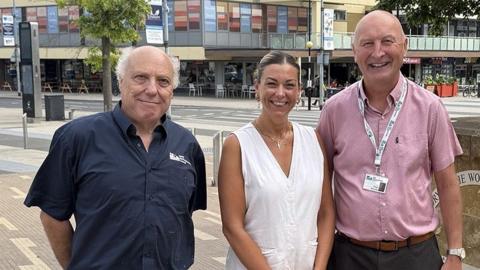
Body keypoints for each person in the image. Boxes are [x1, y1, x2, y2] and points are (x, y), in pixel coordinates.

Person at [24, 46, 206, 269]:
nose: (152, 89)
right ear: (121, 81)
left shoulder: (188, 145)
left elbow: (182, 216)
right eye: (140, 78)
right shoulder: (76, 138)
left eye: (163, 81)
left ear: (172, 90)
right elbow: (52, 215)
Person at [317, 10, 464, 270]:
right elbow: (319, 183)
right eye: (367, 44)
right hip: (350, 255)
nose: (377, 52)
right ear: (354, 51)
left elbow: (448, 184)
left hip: (415, 255)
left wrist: (455, 253)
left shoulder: (431, 108)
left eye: (387, 41)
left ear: (404, 46)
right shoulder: (333, 111)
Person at [218, 50, 335, 270]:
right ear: (257, 87)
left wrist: (319, 268)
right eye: (271, 84)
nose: (280, 93)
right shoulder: (238, 145)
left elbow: (326, 213)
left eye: (289, 85)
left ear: (299, 91)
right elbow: (232, 227)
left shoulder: (313, 140)